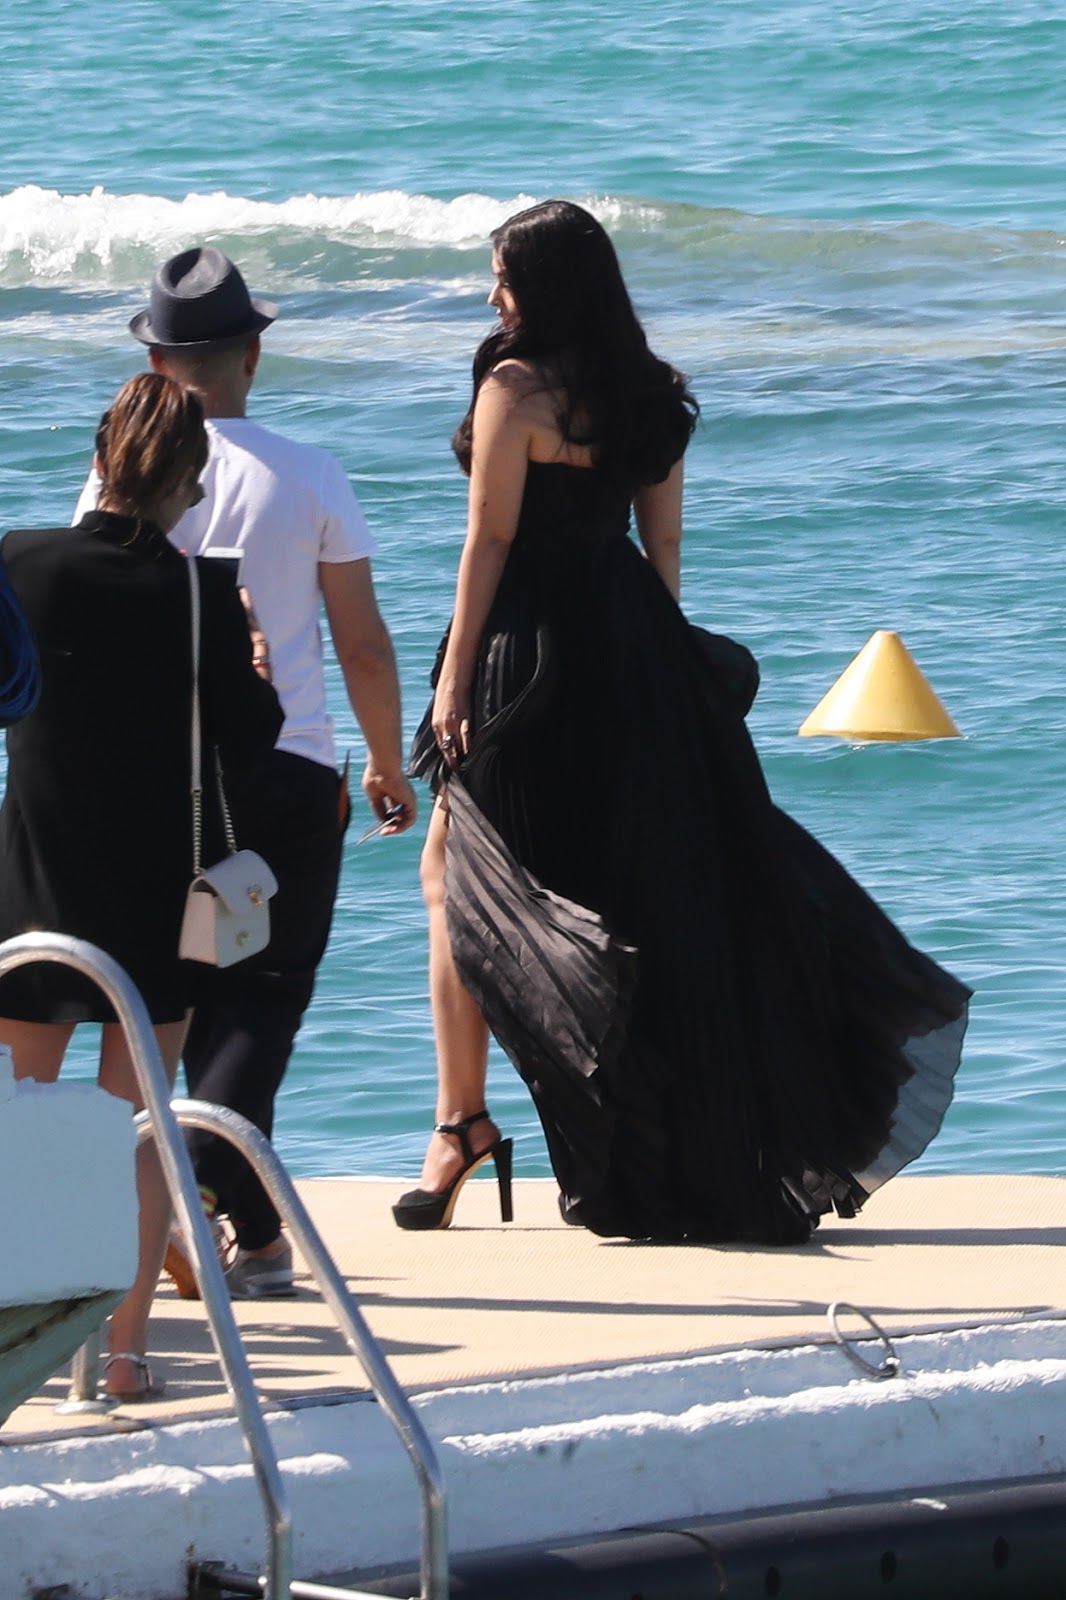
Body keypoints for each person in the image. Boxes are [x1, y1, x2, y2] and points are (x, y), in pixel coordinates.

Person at [395, 199, 971, 1243]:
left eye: (503, 277)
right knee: (643, 889)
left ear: (546, 286)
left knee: (459, 875)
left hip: (522, 646)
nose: (491, 295)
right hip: (631, 648)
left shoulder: (512, 387)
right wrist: (665, 678)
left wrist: (450, 686)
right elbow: (661, 554)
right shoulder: (652, 396)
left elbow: (487, 543)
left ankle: (459, 1124)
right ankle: (650, 1143)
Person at [75, 246, 417, 1297]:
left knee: (180, 991)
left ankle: (250, 1233)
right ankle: (218, 1178)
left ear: (155, 358)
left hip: (164, 777)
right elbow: (360, 643)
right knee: (261, 996)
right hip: (281, 765)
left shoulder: (112, 474)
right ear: (251, 355)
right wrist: (389, 764)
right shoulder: (308, 471)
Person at [0, 373, 283, 1397]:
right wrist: (249, 653)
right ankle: (120, 1357)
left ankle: (14, 1345)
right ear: (191, 483)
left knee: (13, 1119)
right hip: (155, 893)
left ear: (100, 460)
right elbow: (252, 742)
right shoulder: (201, 590)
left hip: (31, 878)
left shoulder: (18, 561)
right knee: (141, 1125)